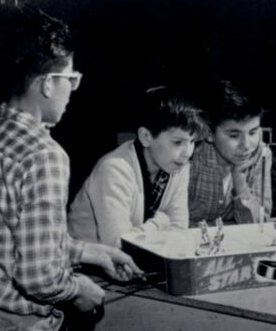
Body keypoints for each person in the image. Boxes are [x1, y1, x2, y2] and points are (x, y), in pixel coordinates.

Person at [0, 6, 142, 331]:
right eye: (71, 78)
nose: (72, 89)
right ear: (48, 83)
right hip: (16, 328)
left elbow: (5, 235)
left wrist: (88, 251)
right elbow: (37, 276)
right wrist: (77, 289)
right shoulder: (44, 154)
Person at [68, 86, 206, 246]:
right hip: (87, 266)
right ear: (146, 136)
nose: (187, 152)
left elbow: (179, 231)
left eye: (192, 142)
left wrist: (155, 230)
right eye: (177, 142)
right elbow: (119, 244)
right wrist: (160, 222)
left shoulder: (178, 164)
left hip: (137, 263)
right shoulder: (114, 169)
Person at [188, 80, 271, 226]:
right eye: (234, 135)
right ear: (209, 133)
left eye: (253, 132)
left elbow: (259, 226)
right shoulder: (190, 154)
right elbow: (173, 224)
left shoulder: (262, 154)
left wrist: (240, 182)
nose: (246, 146)